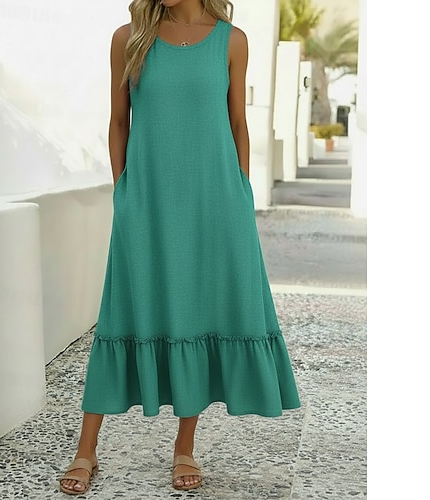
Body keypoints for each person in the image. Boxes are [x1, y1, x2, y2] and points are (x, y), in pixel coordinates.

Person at [59, 0, 301, 495]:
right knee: (121, 312)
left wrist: (240, 195)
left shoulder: (231, 41)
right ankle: (86, 449)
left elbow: (237, 125)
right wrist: (123, 193)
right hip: (147, 201)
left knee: (198, 311)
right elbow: (119, 122)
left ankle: (184, 446)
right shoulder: (129, 38)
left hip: (215, 201)